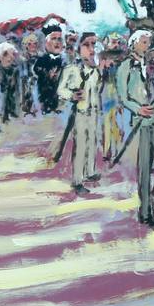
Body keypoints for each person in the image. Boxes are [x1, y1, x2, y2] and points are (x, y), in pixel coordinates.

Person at [116, 29, 154, 230]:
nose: (147, 45)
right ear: (133, 43)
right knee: (145, 171)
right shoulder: (125, 67)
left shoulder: (150, 66)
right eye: (144, 42)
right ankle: (146, 213)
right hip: (139, 122)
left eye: (148, 42)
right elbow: (123, 97)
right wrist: (138, 109)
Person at [58, 32, 104, 193]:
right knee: (81, 144)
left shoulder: (96, 70)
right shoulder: (71, 70)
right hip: (80, 112)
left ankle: (90, 172)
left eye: (93, 45)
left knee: (92, 141)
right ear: (78, 48)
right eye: (87, 45)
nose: (91, 49)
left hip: (93, 111)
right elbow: (61, 90)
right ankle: (77, 180)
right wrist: (72, 95)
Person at [35, 25, 67, 114]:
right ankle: (44, 108)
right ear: (46, 42)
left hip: (55, 82)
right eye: (53, 39)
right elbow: (36, 68)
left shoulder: (61, 59)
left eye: (59, 39)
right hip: (44, 82)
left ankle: (54, 107)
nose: (57, 42)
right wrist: (46, 73)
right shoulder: (43, 58)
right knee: (45, 94)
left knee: (54, 94)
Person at [0, 41, 22, 122]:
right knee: (3, 96)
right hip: (3, 85)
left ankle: (12, 111)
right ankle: (3, 113)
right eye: (7, 55)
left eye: (12, 54)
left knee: (11, 96)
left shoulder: (15, 68)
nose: (10, 57)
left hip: (11, 85)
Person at [19, 34, 41, 117]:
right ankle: (28, 108)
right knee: (27, 93)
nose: (32, 45)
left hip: (38, 77)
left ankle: (36, 109)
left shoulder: (40, 55)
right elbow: (22, 69)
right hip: (27, 77)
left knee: (36, 93)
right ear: (26, 45)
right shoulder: (23, 56)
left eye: (34, 43)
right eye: (30, 44)